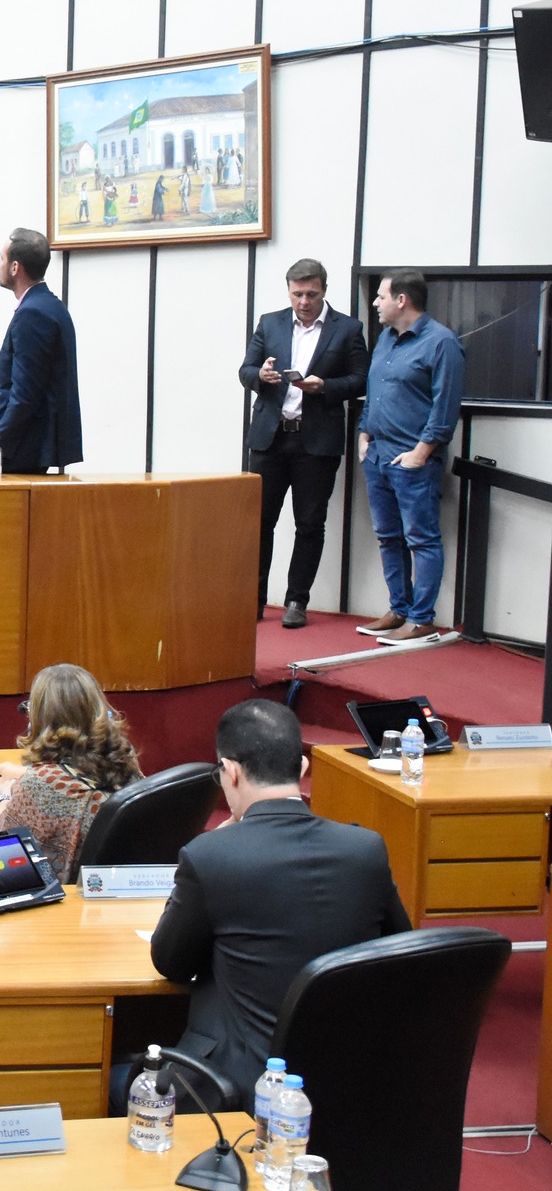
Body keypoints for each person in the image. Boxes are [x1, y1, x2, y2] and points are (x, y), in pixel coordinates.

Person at [148, 699, 410, 1103]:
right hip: (344, 1081)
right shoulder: (365, 849)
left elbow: (171, 963)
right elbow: (398, 949)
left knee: (121, 1084)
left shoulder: (211, 855)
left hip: (236, 1091)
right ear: (303, 769)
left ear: (230, 771)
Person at [239, 259, 369, 627]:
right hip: (271, 438)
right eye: (297, 294)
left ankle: (297, 601)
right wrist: (260, 376)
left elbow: (360, 379)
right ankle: (255, 600)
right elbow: (245, 369)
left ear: (324, 290)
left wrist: (325, 386)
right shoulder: (270, 322)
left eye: (311, 294)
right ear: (289, 291)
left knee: (309, 523)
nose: (304, 302)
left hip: (317, 441)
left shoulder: (348, 329)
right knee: (260, 522)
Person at [0, 663, 140, 877]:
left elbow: (0, 846)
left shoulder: (41, 782)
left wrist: (4, 796)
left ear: (41, 718)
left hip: (51, 890)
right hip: (112, 884)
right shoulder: (123, 756)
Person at [355, 269, 465, 644]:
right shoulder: (386, 339)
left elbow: (445, 406)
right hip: (378, 455)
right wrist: (364, 435)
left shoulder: (441, 343)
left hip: (413, 461)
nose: (375, 303)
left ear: (402, 300)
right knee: (388, 537)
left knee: (421, 539)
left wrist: (421, 452)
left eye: (381, 297)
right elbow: (375, 392)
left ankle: (421, 619)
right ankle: (398, 609)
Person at [0, 228, 83, 473]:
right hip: (26, 447)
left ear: (15, 267)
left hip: (21, 450)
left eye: (1, 259)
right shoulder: (50, 305)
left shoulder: (33, 313)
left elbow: (25, 394)